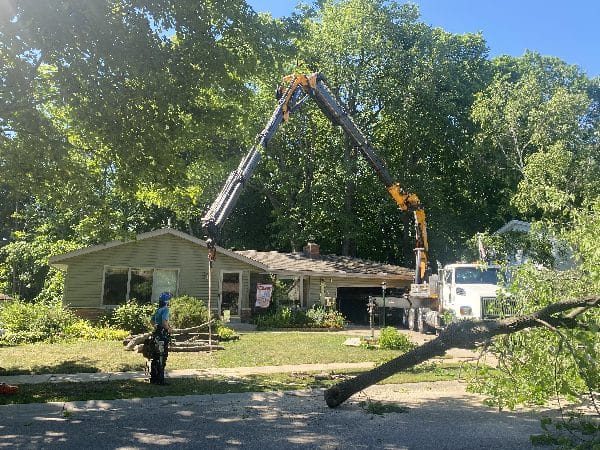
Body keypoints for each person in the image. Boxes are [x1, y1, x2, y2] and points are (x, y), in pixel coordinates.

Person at [149, 292, 172, 385]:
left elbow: (151, 321)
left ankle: (153, 378)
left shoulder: (158, 310)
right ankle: (160, 380)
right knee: (162, 357)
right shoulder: (165, 309)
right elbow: (164, 322)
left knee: (155, 357)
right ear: (166, 301)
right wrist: (169, 329)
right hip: (162, 336)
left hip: (156, 336)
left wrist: (156, 327)